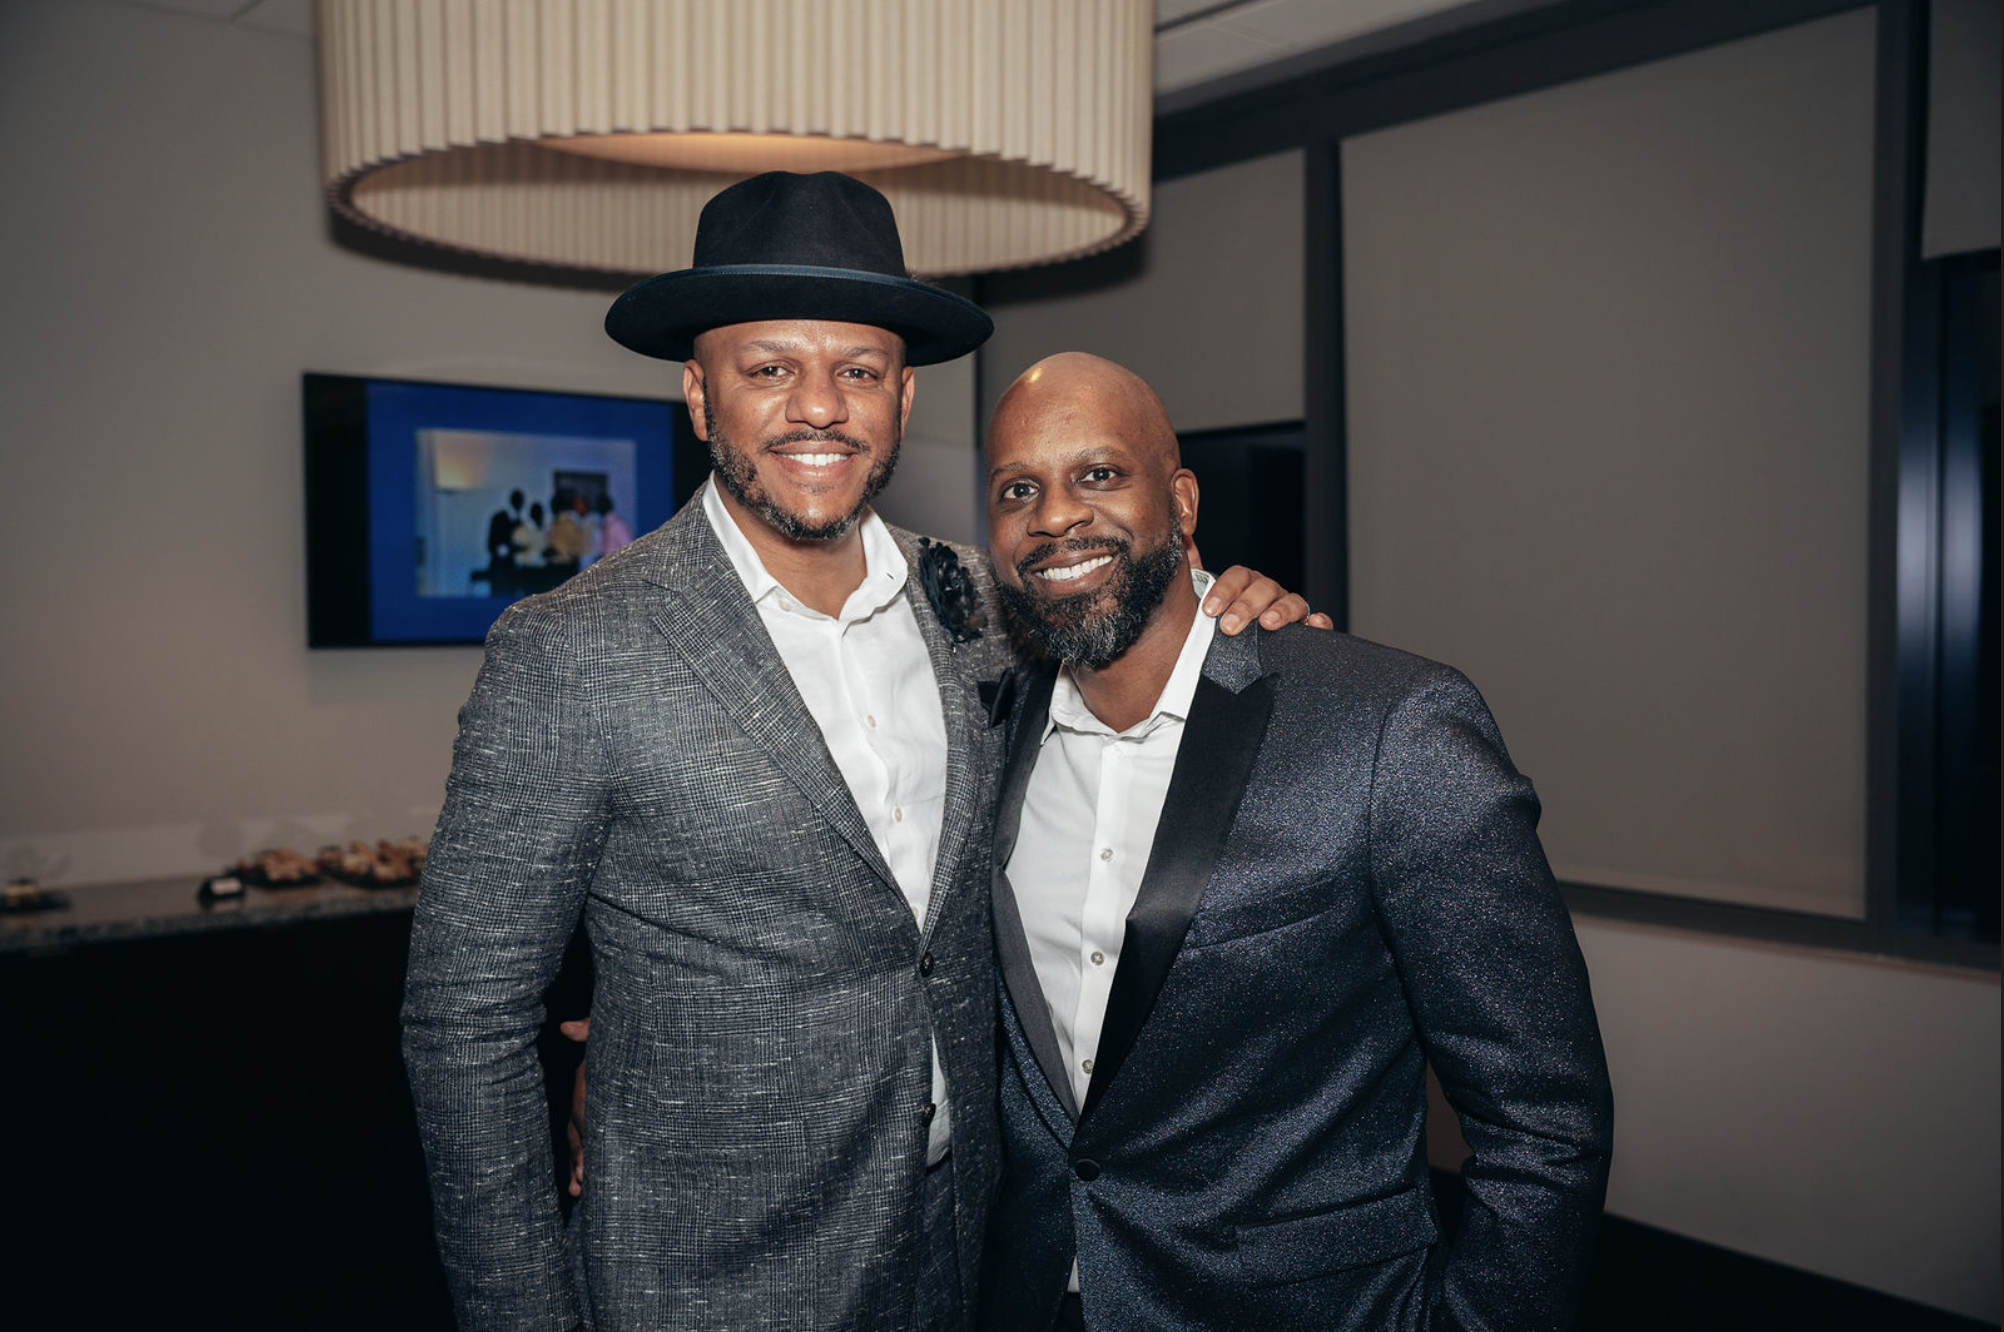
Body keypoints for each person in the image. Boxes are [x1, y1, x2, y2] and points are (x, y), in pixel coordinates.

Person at [402, 174, 1314, 1332]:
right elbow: (465, 1019)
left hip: (964, 1250)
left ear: (904, 394)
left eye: (860, 371)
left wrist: (1244, 611)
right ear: (699, 395)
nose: (819, 408)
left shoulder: (986, 605)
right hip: (705, 1282)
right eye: (769, 368)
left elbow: (1144, 638)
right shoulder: (571, 649)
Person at [977, 354, 1615, 1332]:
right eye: (1018, 489)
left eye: (1098, 473)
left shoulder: (1390, 726)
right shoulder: (991, 727)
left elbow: (1545, 1118)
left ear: (1180, 501)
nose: (1055, 514)